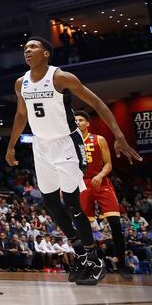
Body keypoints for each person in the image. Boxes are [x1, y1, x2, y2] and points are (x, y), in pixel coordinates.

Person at [5, 36, 143, 285]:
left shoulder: (61, 77)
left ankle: (94, 256)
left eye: (33, 47)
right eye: (25, 48)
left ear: (46, 53)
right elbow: (21, 115)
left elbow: (98, 103)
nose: (27, 50)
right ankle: (81, 250)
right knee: (49, 202)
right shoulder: (20, 83)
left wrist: (119, 135)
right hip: (41, 145)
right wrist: (11, 145)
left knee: (71, 202)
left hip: (67, 143)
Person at [74, 110, 132, 280]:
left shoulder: (99, 139)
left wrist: (100, 175)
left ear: (87, 123)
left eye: (81, 120)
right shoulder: (71, 141)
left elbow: (108, 164)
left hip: (101, 182)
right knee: (84, 229)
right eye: (75, 120)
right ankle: (96, 262)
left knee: (114, 222)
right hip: (82, 183)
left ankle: (122, 263)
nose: (77, 122)